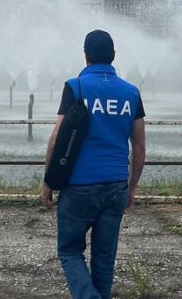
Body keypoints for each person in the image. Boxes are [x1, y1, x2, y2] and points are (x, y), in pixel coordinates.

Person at [41, 29, 147, 299]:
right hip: (115, 186)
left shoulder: (76, 87)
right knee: (103, 259)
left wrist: (48, 182)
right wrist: (131, 188)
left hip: (78, 187)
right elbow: (139, 146)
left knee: (69, 251)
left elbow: (56, 139)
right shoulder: (131, 93)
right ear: (113, 56)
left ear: (86, 56)